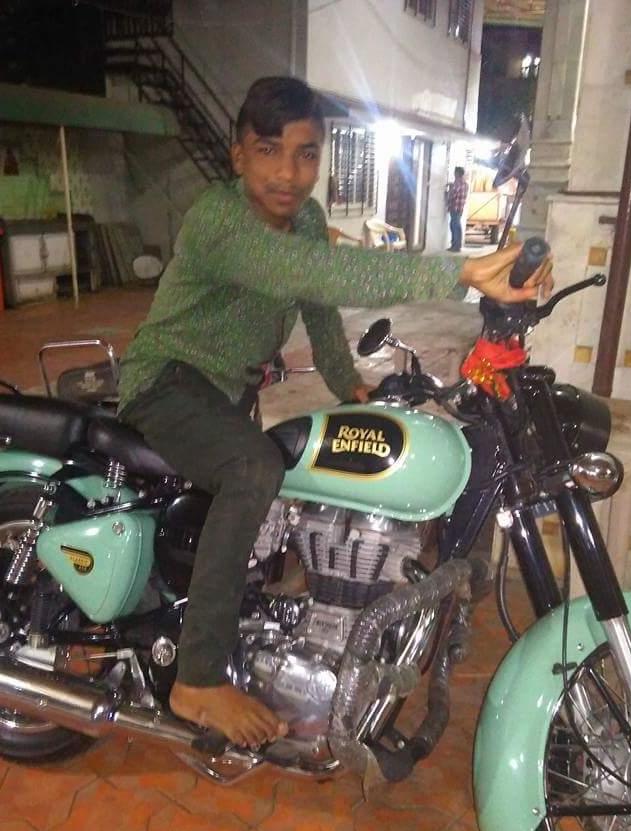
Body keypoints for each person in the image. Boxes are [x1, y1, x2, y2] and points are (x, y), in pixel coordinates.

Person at [117, 77, 552, 749]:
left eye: (306, 154)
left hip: (225, 393)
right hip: (166, 382)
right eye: (268, 151)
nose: (287, 173)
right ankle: (196, 680)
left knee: (290, 475)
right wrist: (459, 273)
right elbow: (317, 276)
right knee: (253, 470)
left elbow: (318, 311)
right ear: (238, 155)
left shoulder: (306, 219)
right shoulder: (217, 219)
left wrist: (350, 386)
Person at [447, 166, 469, 252]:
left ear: (457, 173)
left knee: (454, 226)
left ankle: (455, 246)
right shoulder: (465, 184)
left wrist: (449, 190)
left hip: (455, 207)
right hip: (460, 207)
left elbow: (452, 195)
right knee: (457, 226)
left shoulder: (457, 183)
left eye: (455, 172)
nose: (454, 174)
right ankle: (457, 245)